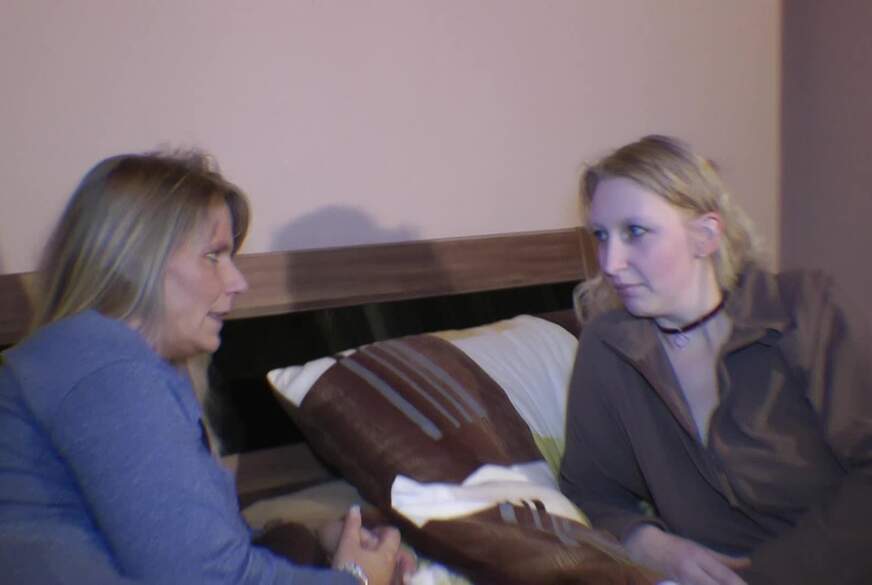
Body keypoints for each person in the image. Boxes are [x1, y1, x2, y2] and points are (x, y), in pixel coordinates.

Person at [0, 151, 411, 584]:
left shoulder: (96, 361)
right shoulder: (106, 370)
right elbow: (207, 577)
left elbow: (188, 547)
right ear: (137, 260)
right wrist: (357, 578)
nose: (238, 282)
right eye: (213, 256)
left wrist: (320, 542)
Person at [558, 135, 872, 585]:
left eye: (635, 232)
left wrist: (768, 575)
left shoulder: (805, 310)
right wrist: (646, 543)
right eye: (601, 236)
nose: (610, 262)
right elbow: (591, 490)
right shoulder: (608, 348)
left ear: (705, 235)